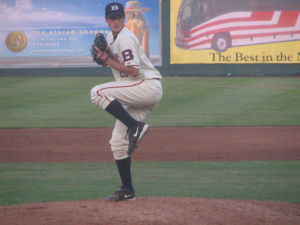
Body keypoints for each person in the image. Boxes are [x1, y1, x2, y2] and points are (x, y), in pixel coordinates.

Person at [90, 2, 163, 202]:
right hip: (138, 91)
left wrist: (107, 60)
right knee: (117, 143)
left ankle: (135, 126)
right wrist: (105, 59)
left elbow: (133, 70)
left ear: (124, 19)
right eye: (112, 18)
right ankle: (128, 190)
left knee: (97, 92)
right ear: (106, 20)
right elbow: (117, 66)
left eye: (119, 18)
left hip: (146, 85)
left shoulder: (126, 38)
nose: (115, 21)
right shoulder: (111, 39)